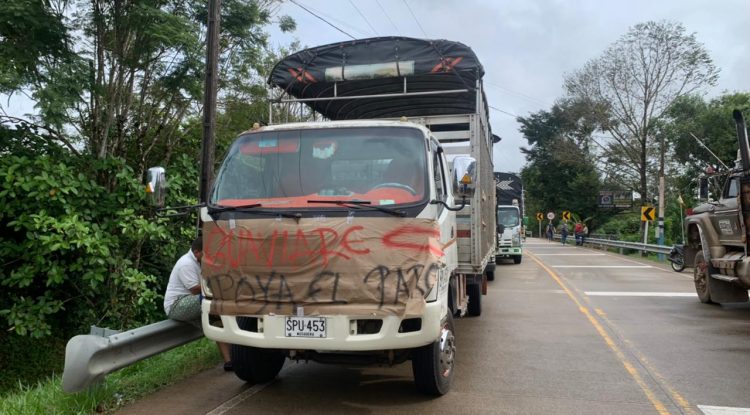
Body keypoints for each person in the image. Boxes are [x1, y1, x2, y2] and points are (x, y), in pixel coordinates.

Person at [164, 237, 233, 371]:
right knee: (213, 304)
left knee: (218, 324)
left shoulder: (200, 261)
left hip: (191, 302)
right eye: (206, 253)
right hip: (177, 305)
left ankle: (230, 362)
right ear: (197, 252)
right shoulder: (186, 264)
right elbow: (195, 289)